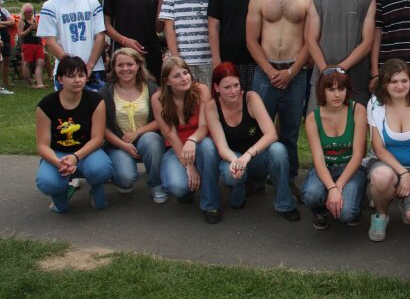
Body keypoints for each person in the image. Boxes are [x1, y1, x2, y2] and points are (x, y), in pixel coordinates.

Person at [247, 0, 311, 189]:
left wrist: (291, 72)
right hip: (265, 72)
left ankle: (288, 178)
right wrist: (269, 70)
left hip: (295, 73)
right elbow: (251, 39)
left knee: (290, 130)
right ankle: (256, 177)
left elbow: (310, 41)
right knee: (258, 128)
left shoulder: (307, 0)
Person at [204, 62, 300, 221]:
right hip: (232, 157)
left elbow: (271, 134)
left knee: (278, 149)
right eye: (227, 87)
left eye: (236, 85)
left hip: (256, 156)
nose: (234, 91)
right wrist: (236, 161)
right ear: (216, 87)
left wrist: (247, 156)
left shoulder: (251, 98)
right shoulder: (211, 107)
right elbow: (222, 147)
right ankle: (242, 185)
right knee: (235, 195)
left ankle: (285, 203)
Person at [365, 58, 410, 242]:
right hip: (385, 164)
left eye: (404, 80)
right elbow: (378, 148)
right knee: (382, 177)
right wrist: (403, 173)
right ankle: (381, 214)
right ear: (384, 83)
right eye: (393, 81)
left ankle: (407, 203)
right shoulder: (374, 104)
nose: (400, 86)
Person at [35, 55, 113, 212]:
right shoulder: (46, 105)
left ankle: (96, 188)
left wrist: (75, 157)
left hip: (87, 152)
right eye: (71, 76)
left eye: (81, 75)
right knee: (48, 183)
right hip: (58, 154)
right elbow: (42, 145)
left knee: (101, 169)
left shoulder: (95, 100)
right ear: (60, 79)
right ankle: (62, 192)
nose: (77, 80)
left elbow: (98, 139)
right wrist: (59, 163)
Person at [306, 0, 376, 112]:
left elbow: (367, 42)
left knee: (355, 126)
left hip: (356, 79)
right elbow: (311, 39)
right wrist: (325, 70)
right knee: (319, 123)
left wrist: (340, 68)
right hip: (323, 77)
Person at [152, 57, 219, 223]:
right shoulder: (158, 98)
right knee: (177, 187)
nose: (184, 78)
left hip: (200, 143)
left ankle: (211, 205)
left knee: (209, 146)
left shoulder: (201, 90)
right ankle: (187, 189)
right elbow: (171, 135)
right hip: (176, 149)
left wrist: (192, 140)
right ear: (167, 81)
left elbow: (204, 126)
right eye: (177, 76)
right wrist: (189, 166)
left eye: (185, 73)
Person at [301, 67, 367, 230]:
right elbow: (318, 159)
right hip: (325, 167)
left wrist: (337, 187)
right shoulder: (312, 118)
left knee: (347, 214)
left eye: (341, 89)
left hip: (351, 168)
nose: (337, 94)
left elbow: (358, 155)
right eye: (331, 89)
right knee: (310, 195)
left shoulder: (357, 110)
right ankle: (320, 211)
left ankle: (355, 202)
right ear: (321, 90)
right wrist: (331, 187)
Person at [99, 48, 166, 203]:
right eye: (120, 65)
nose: (125, 69)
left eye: (130, 64)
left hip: (146, 137)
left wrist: (137, 132)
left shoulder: (152, 88)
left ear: (138, 65)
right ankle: (120, 177)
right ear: (114, 67)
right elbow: (102, 127)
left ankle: (156, 184)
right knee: (126, 179)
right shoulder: (105, 92)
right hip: (118, 142)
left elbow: (161, 120)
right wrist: (122, 145)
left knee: (151, 141)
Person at [37, 0, 106, 91]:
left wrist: (90, 66)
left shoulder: (92, 3)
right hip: (66, 71)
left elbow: (100, 36)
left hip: (94, 69)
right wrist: (74, 69)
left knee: (97, 104)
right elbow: (51, 42)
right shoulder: (50, 6)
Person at [208, 0, 266, 91]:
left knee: (254, 100)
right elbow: (213, 26)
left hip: (256, 58)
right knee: (231, 99)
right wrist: (216, 61)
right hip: (229, 57)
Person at [159, 0, 219, 87]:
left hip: (210, 61)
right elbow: (169, 28)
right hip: (184, 63)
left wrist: (217, 60)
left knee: (209, 98)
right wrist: (176, 61)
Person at [17, 3, 46, 89]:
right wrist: (29, 29)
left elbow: (38, 32)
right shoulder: (22, 21)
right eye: (28, 12)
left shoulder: (34, 20)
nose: (30, 14)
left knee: (40, 62)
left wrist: (37, 28)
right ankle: (29, 82)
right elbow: (20, 34)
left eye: (31, 12)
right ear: (24, 13)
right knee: (27, 63)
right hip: (28, 44)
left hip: (37, 43)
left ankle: (40, 83)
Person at [0, 0, 15, 92]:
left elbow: (12, 22)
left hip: (6, 38)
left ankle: (5, 81)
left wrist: (3, 23)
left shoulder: (4, 11)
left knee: (6, 60)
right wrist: (6, 24)